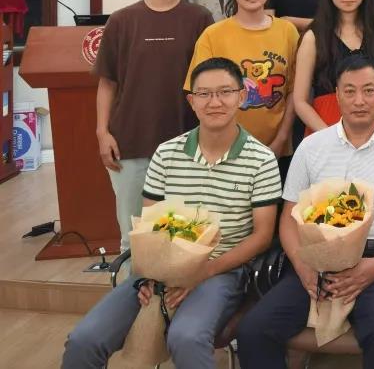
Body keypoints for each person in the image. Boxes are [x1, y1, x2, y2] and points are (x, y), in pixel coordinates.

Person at [64, 57, 280, 369]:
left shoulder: (261, 159)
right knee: (84, 339)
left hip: (221, 271)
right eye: (204, 94)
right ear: (191, 101)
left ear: (242, 96)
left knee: (187, 338)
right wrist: (148, 275)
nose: (214, 102)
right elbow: (149, 227)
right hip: (158, 270)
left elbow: (262, 236)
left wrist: (204, 271)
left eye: (225, 92)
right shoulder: (166, 153)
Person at [236, 54, 374, 369]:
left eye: (368, 90)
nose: (359, 100)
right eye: (349, 91)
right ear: (337, 95)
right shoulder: (312, 147)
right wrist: (301, 265)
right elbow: (289, 218)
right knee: (254, 331)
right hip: (313, 262)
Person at [94, 0, 213, 250]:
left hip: (186, 142)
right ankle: (132, 284)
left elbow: (208, 82)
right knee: (134, 236)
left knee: (185, 236)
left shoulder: (199, 19)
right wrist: (102, 132)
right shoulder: (122, 20)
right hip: (130, 141)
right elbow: (107, 83)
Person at [186, 0, 300, 157]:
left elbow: (294, 91)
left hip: (277, 148)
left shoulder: (287, 31)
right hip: (225, 147)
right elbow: (198, 93)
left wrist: (281, 139)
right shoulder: (213, 35)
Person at [290, 0, 374, 135]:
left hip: (372, 129)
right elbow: (300, 101)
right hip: (324, 128)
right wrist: (330, 136)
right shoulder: (313, 37)